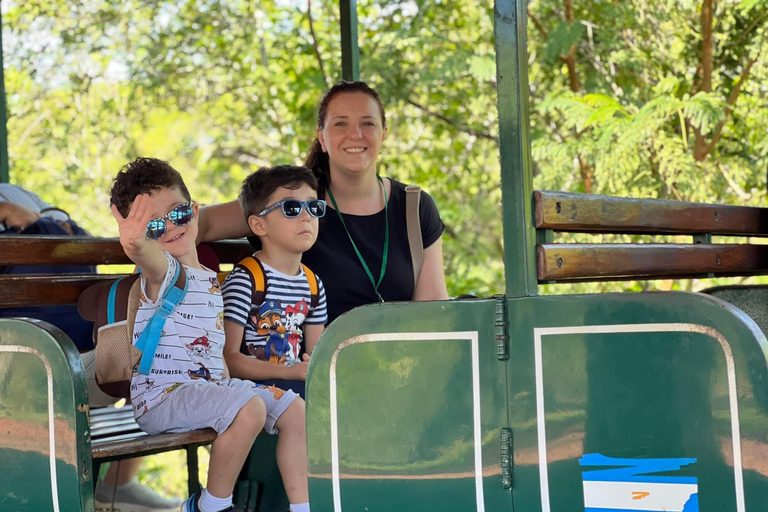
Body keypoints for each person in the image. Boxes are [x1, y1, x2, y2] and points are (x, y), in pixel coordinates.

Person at [109, 157, 310, 512]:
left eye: (178, 213)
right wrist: (137, 244)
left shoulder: (208, 275)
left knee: (295, 409)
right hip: (162, 397)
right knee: (249, 409)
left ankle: (302, 507)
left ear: (195, 211)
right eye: (155, 227)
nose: (171, 227)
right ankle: (211, 506)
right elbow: (149, 258)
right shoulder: (163, 273)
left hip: (211, 386)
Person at [197, 81, 449, 323]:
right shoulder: (289, 201)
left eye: (368, 123)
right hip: (309, 364)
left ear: (383, 134)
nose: (355, 134)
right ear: (322, 137)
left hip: (399, 360)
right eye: (340, 124)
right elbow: (204, 222)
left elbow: (432, 313)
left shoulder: (414, 207)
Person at [0, 184, 180, 512]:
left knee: (160, 343)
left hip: (80, 355)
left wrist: (37, 219)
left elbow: (69, 230)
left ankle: (119, 485)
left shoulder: (14, 193)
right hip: (18, 364)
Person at [221, 165, 328, 399]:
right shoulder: (246, 279)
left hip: (294, 387)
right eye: (291, 208)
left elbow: (316, 355)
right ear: (259, 225)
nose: (306, 216)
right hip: (250, 391)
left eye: (313, 206)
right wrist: (289, 372)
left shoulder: (313, 284)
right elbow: (228, 358)